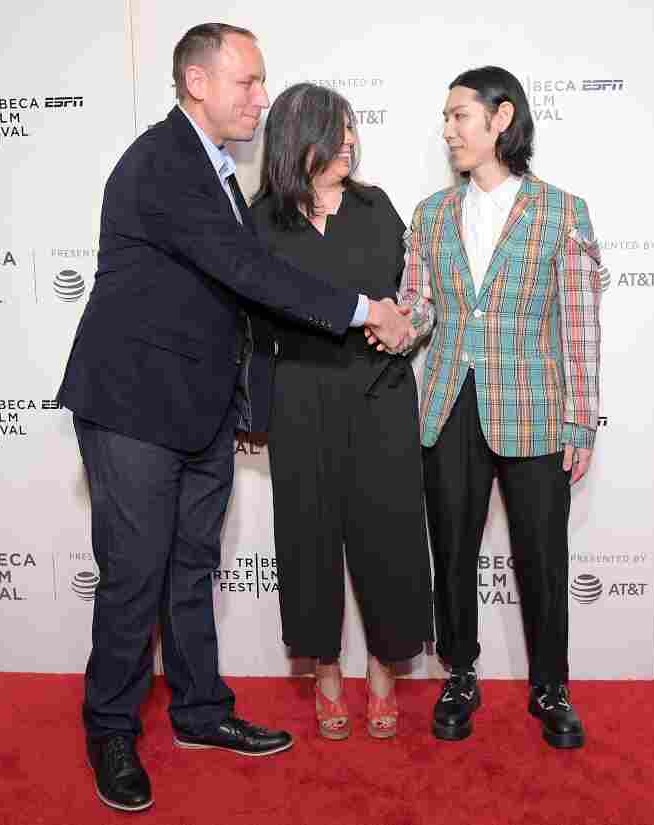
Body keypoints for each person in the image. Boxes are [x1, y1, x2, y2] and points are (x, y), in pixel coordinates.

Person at [57, 23, 412, 813]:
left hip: (199, 408)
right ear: (196, 82)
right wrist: (362, 310)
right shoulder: (165, 162)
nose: (261, 97)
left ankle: (199, 712)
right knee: (134, 575)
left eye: (261, 83)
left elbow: (229, 301)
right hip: (134, 406)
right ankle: (111, 727)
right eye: (247, 83)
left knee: (190, 567)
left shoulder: (215, 169)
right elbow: (249, 272)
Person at [374, 65, 604, 749]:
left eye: (459, 116)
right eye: (445, 120)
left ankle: (550, 686)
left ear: (501, 118)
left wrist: (581, 416)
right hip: (448, 404)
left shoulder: (562, 210)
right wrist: (388, 321)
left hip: (534, 408)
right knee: (451, 550)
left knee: (542, 555)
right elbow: (419, 310)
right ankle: (461, 673)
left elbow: (579, 321)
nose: (448, 131)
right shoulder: (431, 214)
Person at [249, 83, 433, 741]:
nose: (351, 141)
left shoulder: (376, 206)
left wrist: (408, 325)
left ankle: (383, 674)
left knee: (389, 535)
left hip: (379, 391)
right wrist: (252, 407)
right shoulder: (263, 219)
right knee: (308, 536)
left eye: (353, 129)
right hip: (300, 396)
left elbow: (410, 296)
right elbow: (250, 319)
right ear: (302, 139)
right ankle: (325, 675)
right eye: (338, 130)